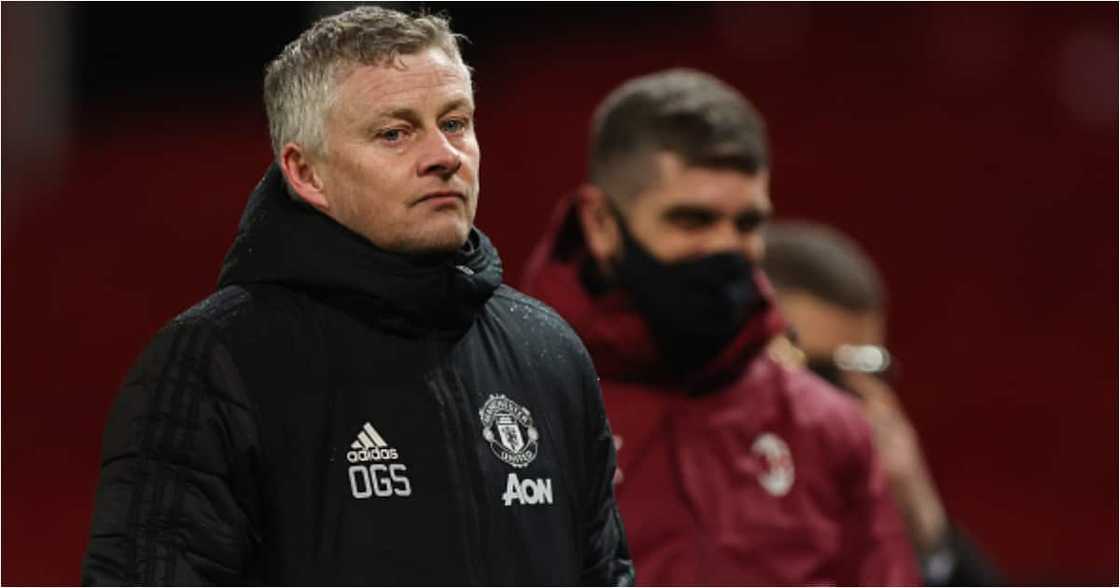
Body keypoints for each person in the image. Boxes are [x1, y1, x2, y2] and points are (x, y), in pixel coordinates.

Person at [81, 7, 633, 585]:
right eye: (395, 133)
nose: (445, 156)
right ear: (306, 173)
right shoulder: (212, 363)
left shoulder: (549, 354)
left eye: (455, 122)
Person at [522, 69, 919, 585]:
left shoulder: (828, 428)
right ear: (600, 222)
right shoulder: (520, 406)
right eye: (692, 220)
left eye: (747, 224)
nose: (727, 248)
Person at [763, 220, 1006, 586]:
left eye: (866, 372)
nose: (842, 402)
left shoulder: (873, 505)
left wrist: (924, 524)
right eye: (820, 372)